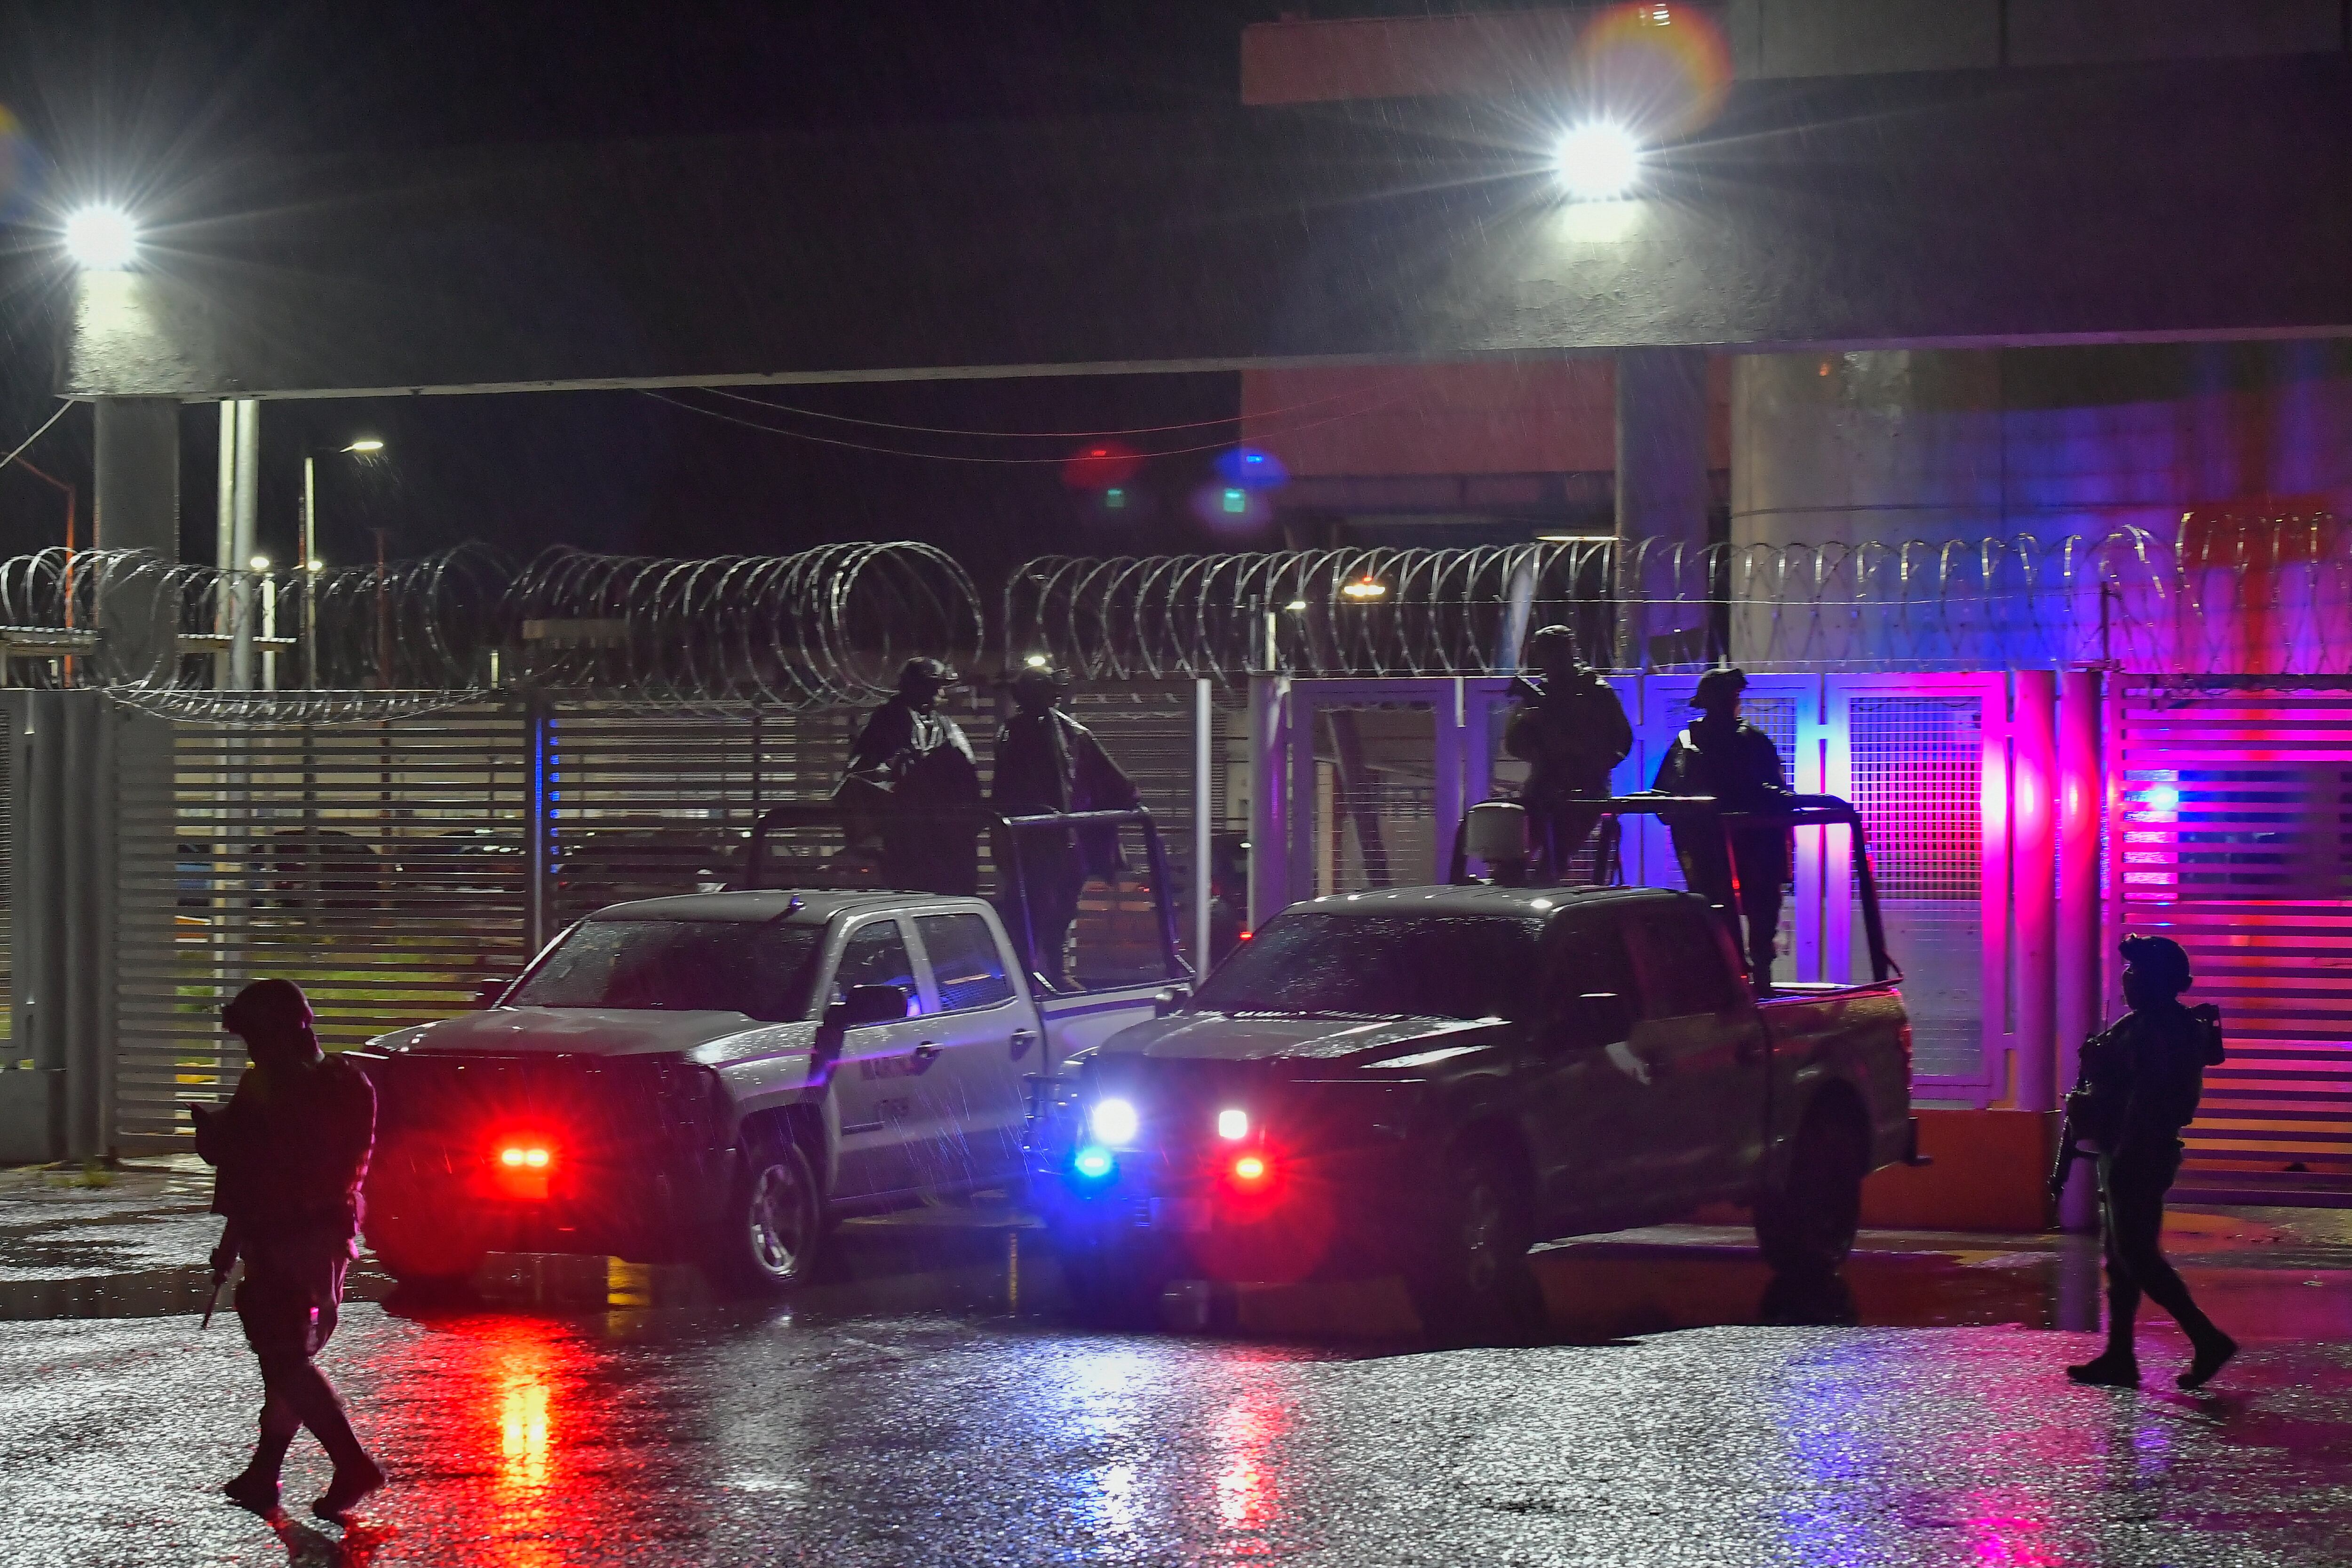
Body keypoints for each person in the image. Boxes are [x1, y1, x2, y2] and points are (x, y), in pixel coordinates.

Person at [191, 979, 384, 1523]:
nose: (250, 1047)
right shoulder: (350, 1083)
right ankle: (264, 1472)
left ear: (288, 1027)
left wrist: (217, 1139)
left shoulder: (277, 1087)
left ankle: (351, 1462)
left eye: (256, 1034)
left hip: (287, 1240)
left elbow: (252, 1170)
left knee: (285, 1359)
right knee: (287, 1361)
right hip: (324, 1240)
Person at [2060, 935, 2237, 1390]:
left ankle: (2206, 1338)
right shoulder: (2147, 1023)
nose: (2128, 980)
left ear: (2160, 981)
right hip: (2124, 1150)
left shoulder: (2160, 1029)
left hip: (2135, 1153)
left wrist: (2122, 1156)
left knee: (2136, 1255)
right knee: (2120, 1260)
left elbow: (2146, 1101)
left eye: (2138, 973)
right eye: (2129, 971)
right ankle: (2119, 1356)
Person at [992, 663, 1139, 986]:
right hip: (1031, 842)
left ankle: (1055, 971)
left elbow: (1112, 777)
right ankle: (1026, 975)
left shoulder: (1071, 733)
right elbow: (1005, 790)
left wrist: (1124, 801)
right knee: (1027, 910)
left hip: (1064, 840)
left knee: (1061, 907)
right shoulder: (1011, 735)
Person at [1651, 667, 1791, 988]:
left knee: (1758, 913)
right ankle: (1733, 981)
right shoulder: (1688, 746)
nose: (1732, 704)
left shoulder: (1750, 742)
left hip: (1752, 846)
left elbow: (1773, 793)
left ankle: (1757, 980)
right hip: (1713, 847)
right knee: (1720, 915)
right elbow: (1664, 800)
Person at [835, 656, 983, 894]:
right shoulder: (888, 722)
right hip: (908, 838)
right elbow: (864, 776)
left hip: (948, 837)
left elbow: (967, 774)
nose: (943, 693)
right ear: (921, 687)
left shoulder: (944, 725)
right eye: (938, 686)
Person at [1503, 625, 1632, 879]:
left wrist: (1592, 762)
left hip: (1584, 792)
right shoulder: (1541, 693)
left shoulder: (1595, 690)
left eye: (1554, 654)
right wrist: (1529, 722)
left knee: (1553, 862)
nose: (1549, 662)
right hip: (1542, 790)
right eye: (1544, 655)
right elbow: (1514, 744)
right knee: (1511, 862)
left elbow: (1623, 740)